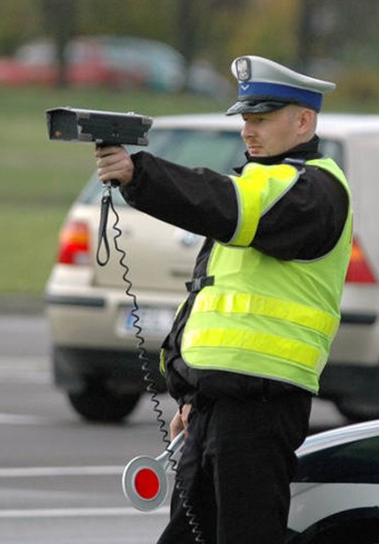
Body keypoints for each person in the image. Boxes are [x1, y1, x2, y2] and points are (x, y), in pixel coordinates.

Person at [95, 55, 352, 543]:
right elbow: (207, 300)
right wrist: (191, 392)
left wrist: (140, 175)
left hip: (263, 403)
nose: (247, 132)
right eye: (245, 120)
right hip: (215, 404)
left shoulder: (315, 189)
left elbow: (224, 203)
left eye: (261, 119)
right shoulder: (260, 185)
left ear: (304, 120)